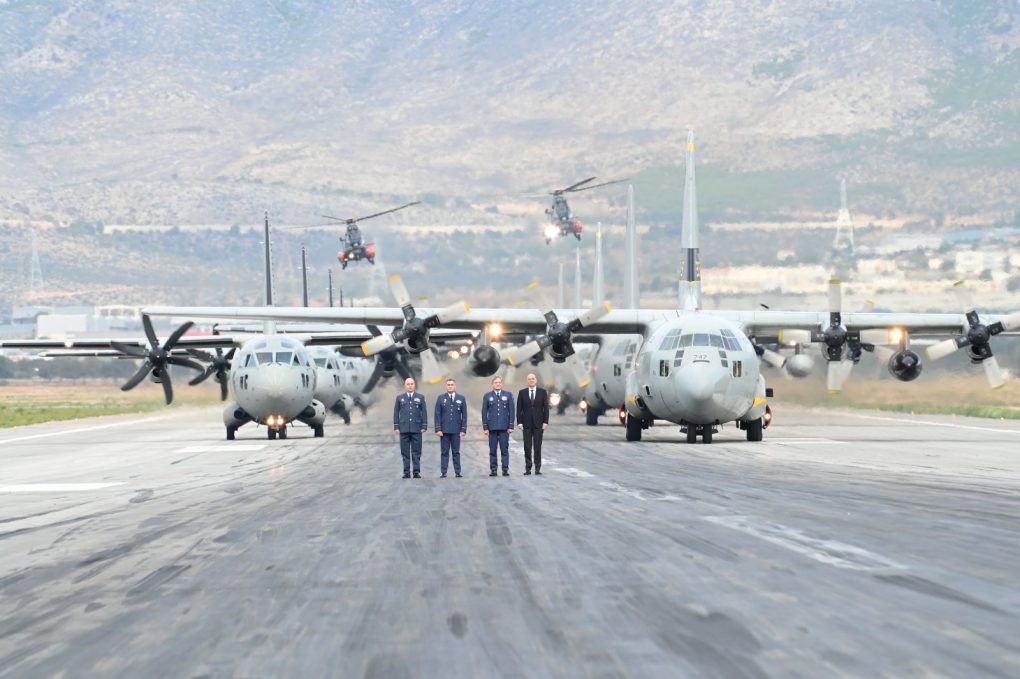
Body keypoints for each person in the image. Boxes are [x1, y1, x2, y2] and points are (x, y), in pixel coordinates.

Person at [393, 377, 427, 478]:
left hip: (417, 428)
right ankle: (406, 472)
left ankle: (416, 472)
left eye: (412, 384)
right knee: (405, 452)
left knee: (416, 451)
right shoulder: (400, 398)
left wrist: (424, 425)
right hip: (403, 428)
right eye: (408, 384)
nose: (410, 386)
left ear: (414, 385)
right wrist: (396, 426)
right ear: (405, 386)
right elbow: (396, 413)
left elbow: (424, 412)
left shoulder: (420, 397)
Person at [481, 375, 514, 477]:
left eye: (499, 382)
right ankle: (493, 469)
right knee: (492, 450)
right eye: (496, 382)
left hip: (504, 428)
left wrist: (511, 426)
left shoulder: (508, 395)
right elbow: (484, 412)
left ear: (501, 384)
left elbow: (512, 411)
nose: (498, 384)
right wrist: (485, 427)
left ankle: (505, 469)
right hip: (492, 428)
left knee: (504, 450)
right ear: (492, 384)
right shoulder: (487, 396)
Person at [516, 373, 549, 475]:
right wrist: (519, 423)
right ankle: (528, 468)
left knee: (537, 446)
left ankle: (538, 468)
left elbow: (546, 409)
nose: (531, 380)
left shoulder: (542, 392)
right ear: (527, 381)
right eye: (529, 379)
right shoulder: (522, 393)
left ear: (536, 380)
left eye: (533, 379)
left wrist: (545, 422)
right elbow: (519, 409)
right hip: (526, 424)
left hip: (539, 424)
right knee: (527, 447)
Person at [434, 378, 467, 478]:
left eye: (452, 384)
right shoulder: (441, 398)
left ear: (455, 386)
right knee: (444, 452)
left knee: (456, 452)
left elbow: (464, 415)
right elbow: (437, 414)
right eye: (448, 385)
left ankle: (458, 472)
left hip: (456, 430)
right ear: (446, 386)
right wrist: (438, 429)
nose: (450, 386)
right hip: (444, 430)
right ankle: (443, 472)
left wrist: (463, 429)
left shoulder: (461, 398)